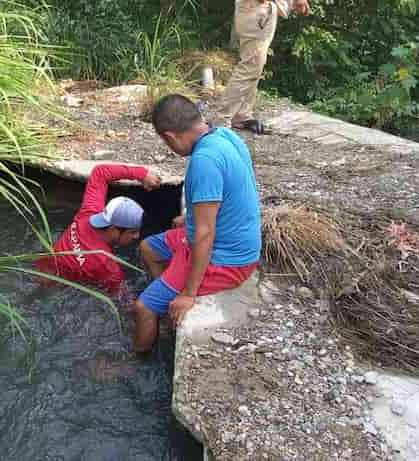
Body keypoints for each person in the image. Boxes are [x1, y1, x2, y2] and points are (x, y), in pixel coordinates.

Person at [133, 94, 260, 354]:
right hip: (227, 240)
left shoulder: (204, 162)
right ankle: (166, 304)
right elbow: (232, 194)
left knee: (142, 308)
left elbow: (204, 235)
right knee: (148, 248)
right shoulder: (225, 135)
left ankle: (139, 359)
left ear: (170, 136)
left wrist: (189, 294)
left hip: (226, 259)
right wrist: (189, 218)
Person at [35, 164, 162, 295]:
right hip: (53, 291)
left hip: (39, 268)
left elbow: (100, 172)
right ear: (113, 229)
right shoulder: (106, 266)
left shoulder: (88, 213)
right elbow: (122, 299)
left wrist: (142, 174)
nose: (137, 236)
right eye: (133, 232)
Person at [214, 0, 311, 134]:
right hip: (256, 9)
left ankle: (241, 115)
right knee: (250, 67)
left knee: (255, 66)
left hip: (258, 9)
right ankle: (221, 120)